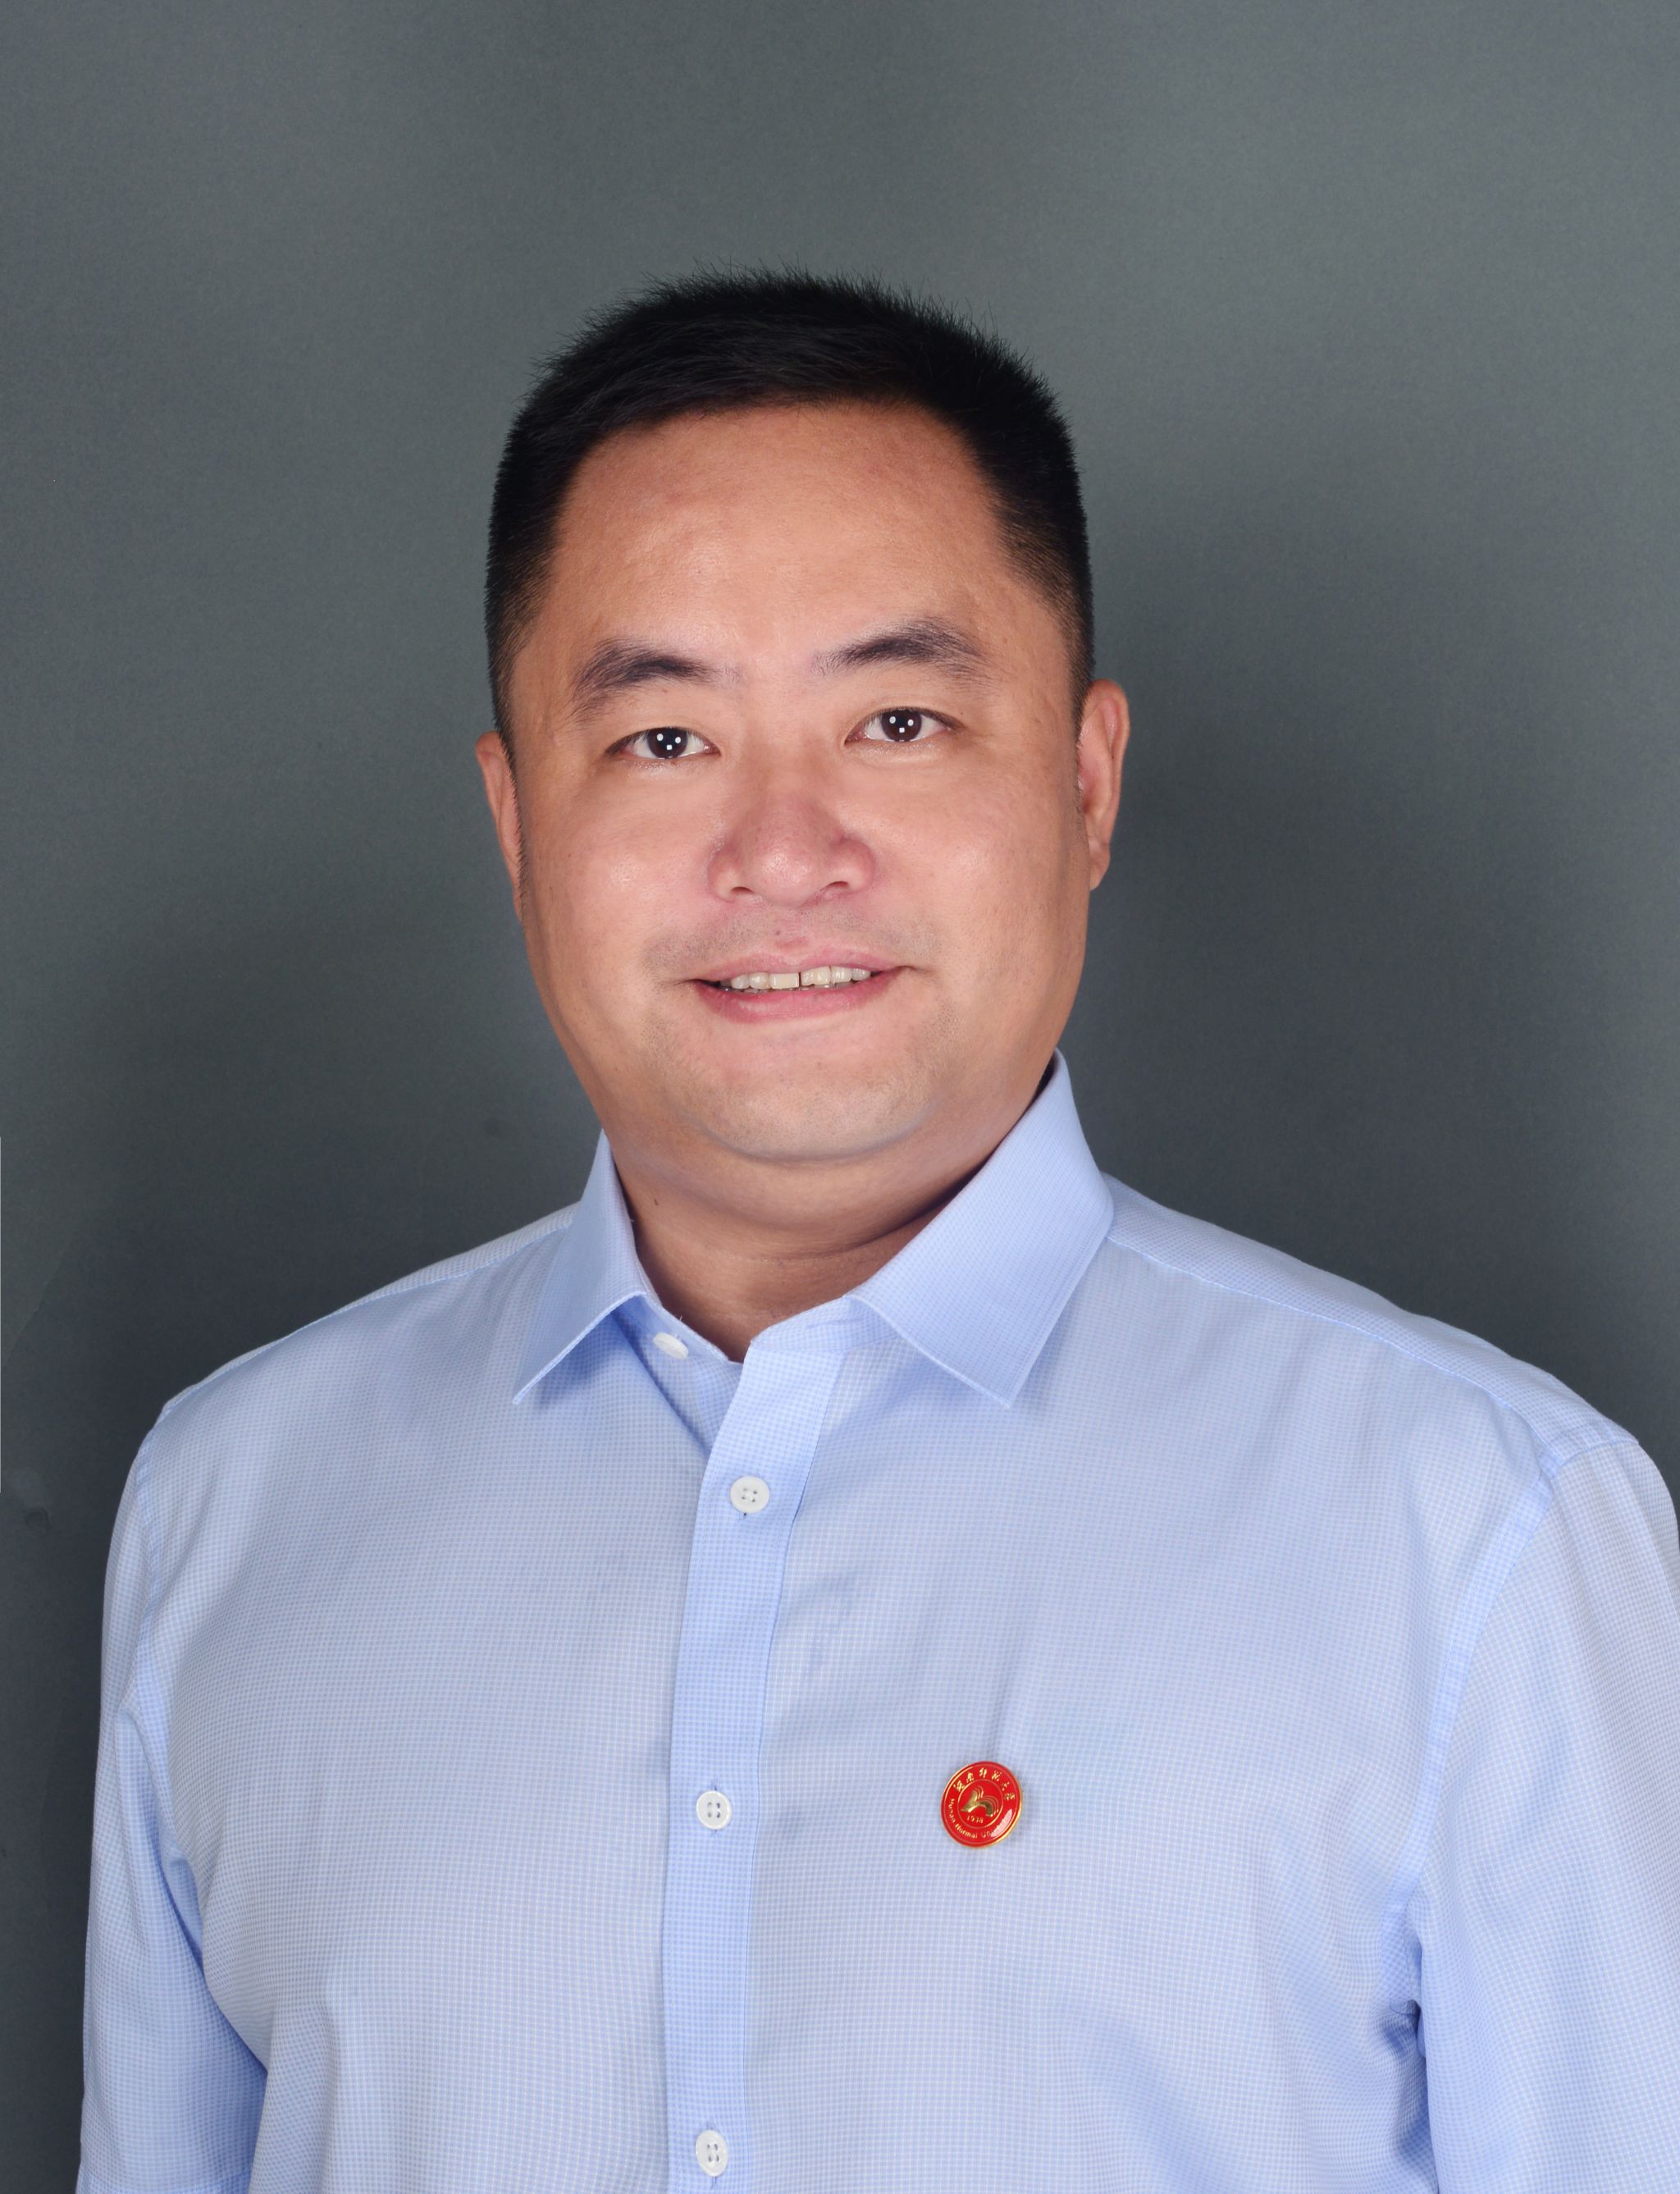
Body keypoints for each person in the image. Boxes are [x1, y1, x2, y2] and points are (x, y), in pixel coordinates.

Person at [79, 269, 1680, 2194]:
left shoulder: (1476, 1530)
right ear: (513, 822)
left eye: (898, 718)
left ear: (1083, 782)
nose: (782, 849)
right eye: (663, 738)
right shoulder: (235, 1505)